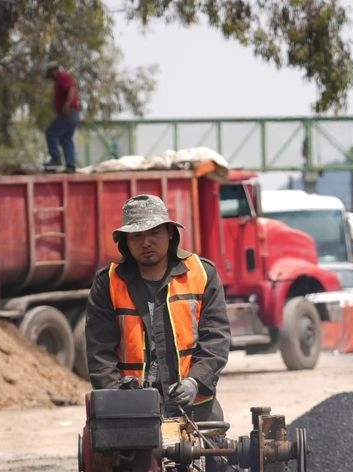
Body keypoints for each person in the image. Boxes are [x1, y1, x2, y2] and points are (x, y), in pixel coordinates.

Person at [84, 194, 230, 423]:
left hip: (196, 408)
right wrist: (119, 399)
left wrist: (195, 382)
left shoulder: (202, 274)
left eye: (154, 233)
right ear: (125, 241)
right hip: (131, 413)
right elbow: (98, 352)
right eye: (137, 236)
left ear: (170, 233)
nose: (146, 242)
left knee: (213, 455)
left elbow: (216, 339)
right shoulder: (108, 282)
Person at [43, 63, 82, 172]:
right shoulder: (60, 80)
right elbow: (74, 91)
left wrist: (66, 106)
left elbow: (72, 90)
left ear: (54, 70)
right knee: (66, 139)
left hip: (69, 113)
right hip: (73, 113)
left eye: (50, 74)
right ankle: (70, 165)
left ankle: (55, 159)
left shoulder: (63, 77)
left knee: (51, 133)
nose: (50, 78)